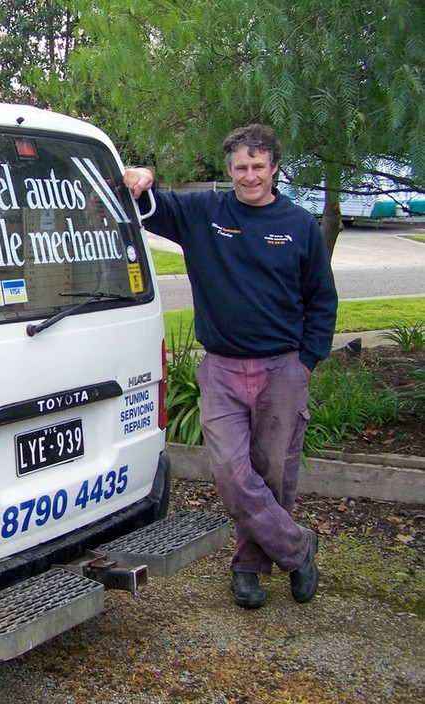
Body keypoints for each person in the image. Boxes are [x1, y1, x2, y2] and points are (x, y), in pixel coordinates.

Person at [123, 124, 338, 609]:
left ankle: (247, 569)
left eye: (258, 167)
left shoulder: (299, 225)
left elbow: (322, 300)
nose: (249, 176)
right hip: (221, 369)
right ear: (229, 170)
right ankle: (298, 549)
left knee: (273, 474)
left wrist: (306, 363)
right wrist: (141, 176)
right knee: (233, 474)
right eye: (241, 167)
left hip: (282, 369)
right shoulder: (206, 214)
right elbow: (149, 203)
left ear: (274, 168)